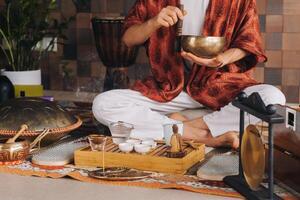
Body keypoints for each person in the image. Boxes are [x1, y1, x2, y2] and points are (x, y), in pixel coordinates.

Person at [92, 0, 286, 149]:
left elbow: (249, 43)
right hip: (170, 87)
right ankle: (205, 136)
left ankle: (183, 126)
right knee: (103, 104)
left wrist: (222, 59)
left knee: (272, 98)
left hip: (219, 85)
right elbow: (127, 38)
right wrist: (153, 22)